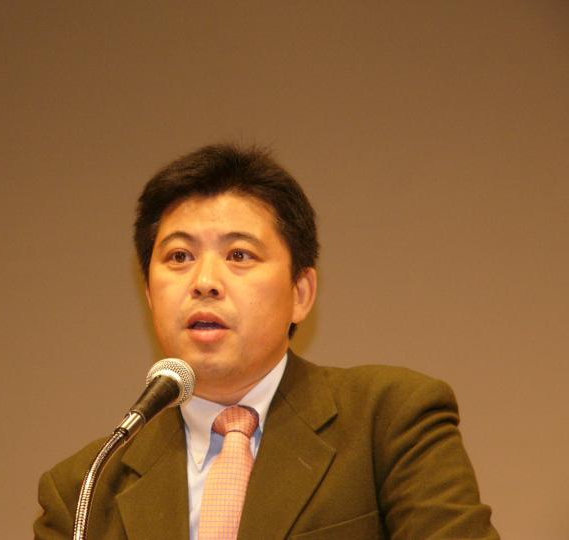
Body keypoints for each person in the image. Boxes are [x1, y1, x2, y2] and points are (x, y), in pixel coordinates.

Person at [34, 144, 498, 539]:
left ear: (301, 293)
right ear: (151, 295)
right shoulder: (85, 490)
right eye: (179, 256)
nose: (204, 281)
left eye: (239, 254)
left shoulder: (389, 420)